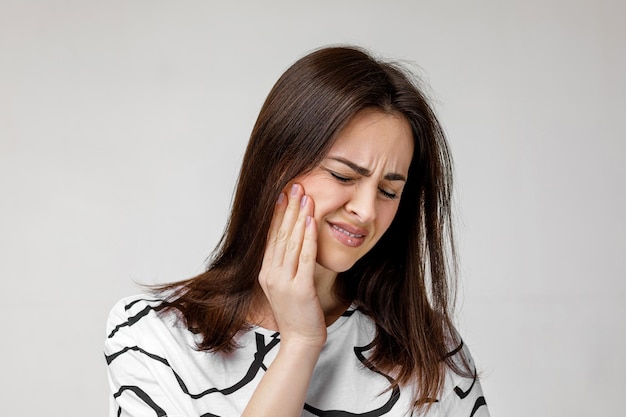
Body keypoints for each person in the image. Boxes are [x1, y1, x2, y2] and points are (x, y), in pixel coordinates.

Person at [104, 45, 489, 417]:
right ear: (276, 166)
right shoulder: (154, 338)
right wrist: (301, 344)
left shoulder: (432, 350)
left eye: (389, 191)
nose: (366, 210)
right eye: (343, 175)